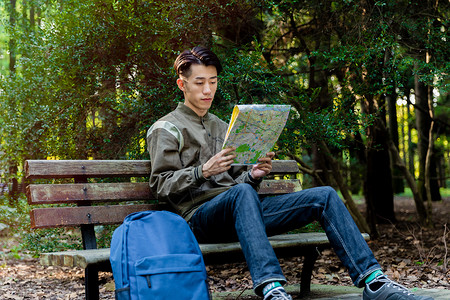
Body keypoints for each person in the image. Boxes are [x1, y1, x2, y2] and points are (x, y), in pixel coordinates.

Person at [146, 46, 433, 300]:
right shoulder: (166, 128)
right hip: (198, 220)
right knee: (242, 193)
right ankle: (272, 288)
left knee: (324, 196)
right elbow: (160, 185)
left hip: (240, 211)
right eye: (200, 83)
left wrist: (254, 175)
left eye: (213, 82)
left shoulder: (223, 126)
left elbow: (236, 185)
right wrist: (202, 171)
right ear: (182, 84)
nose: (208, 90)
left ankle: (373, 282)